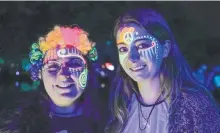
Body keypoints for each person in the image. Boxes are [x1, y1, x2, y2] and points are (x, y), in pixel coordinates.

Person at [105, 8, 220, 133]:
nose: (132, 57)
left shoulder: (195, 106)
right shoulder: (119, 108)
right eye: (123, 49)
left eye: (142, 45)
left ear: (165, 49)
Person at [1, 25, 102, 133]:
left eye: (74, 64)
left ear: (88, 71)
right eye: (53, 66)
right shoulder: (15, 125)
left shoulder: (111, 123)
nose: (63, 74)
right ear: (40, 73)